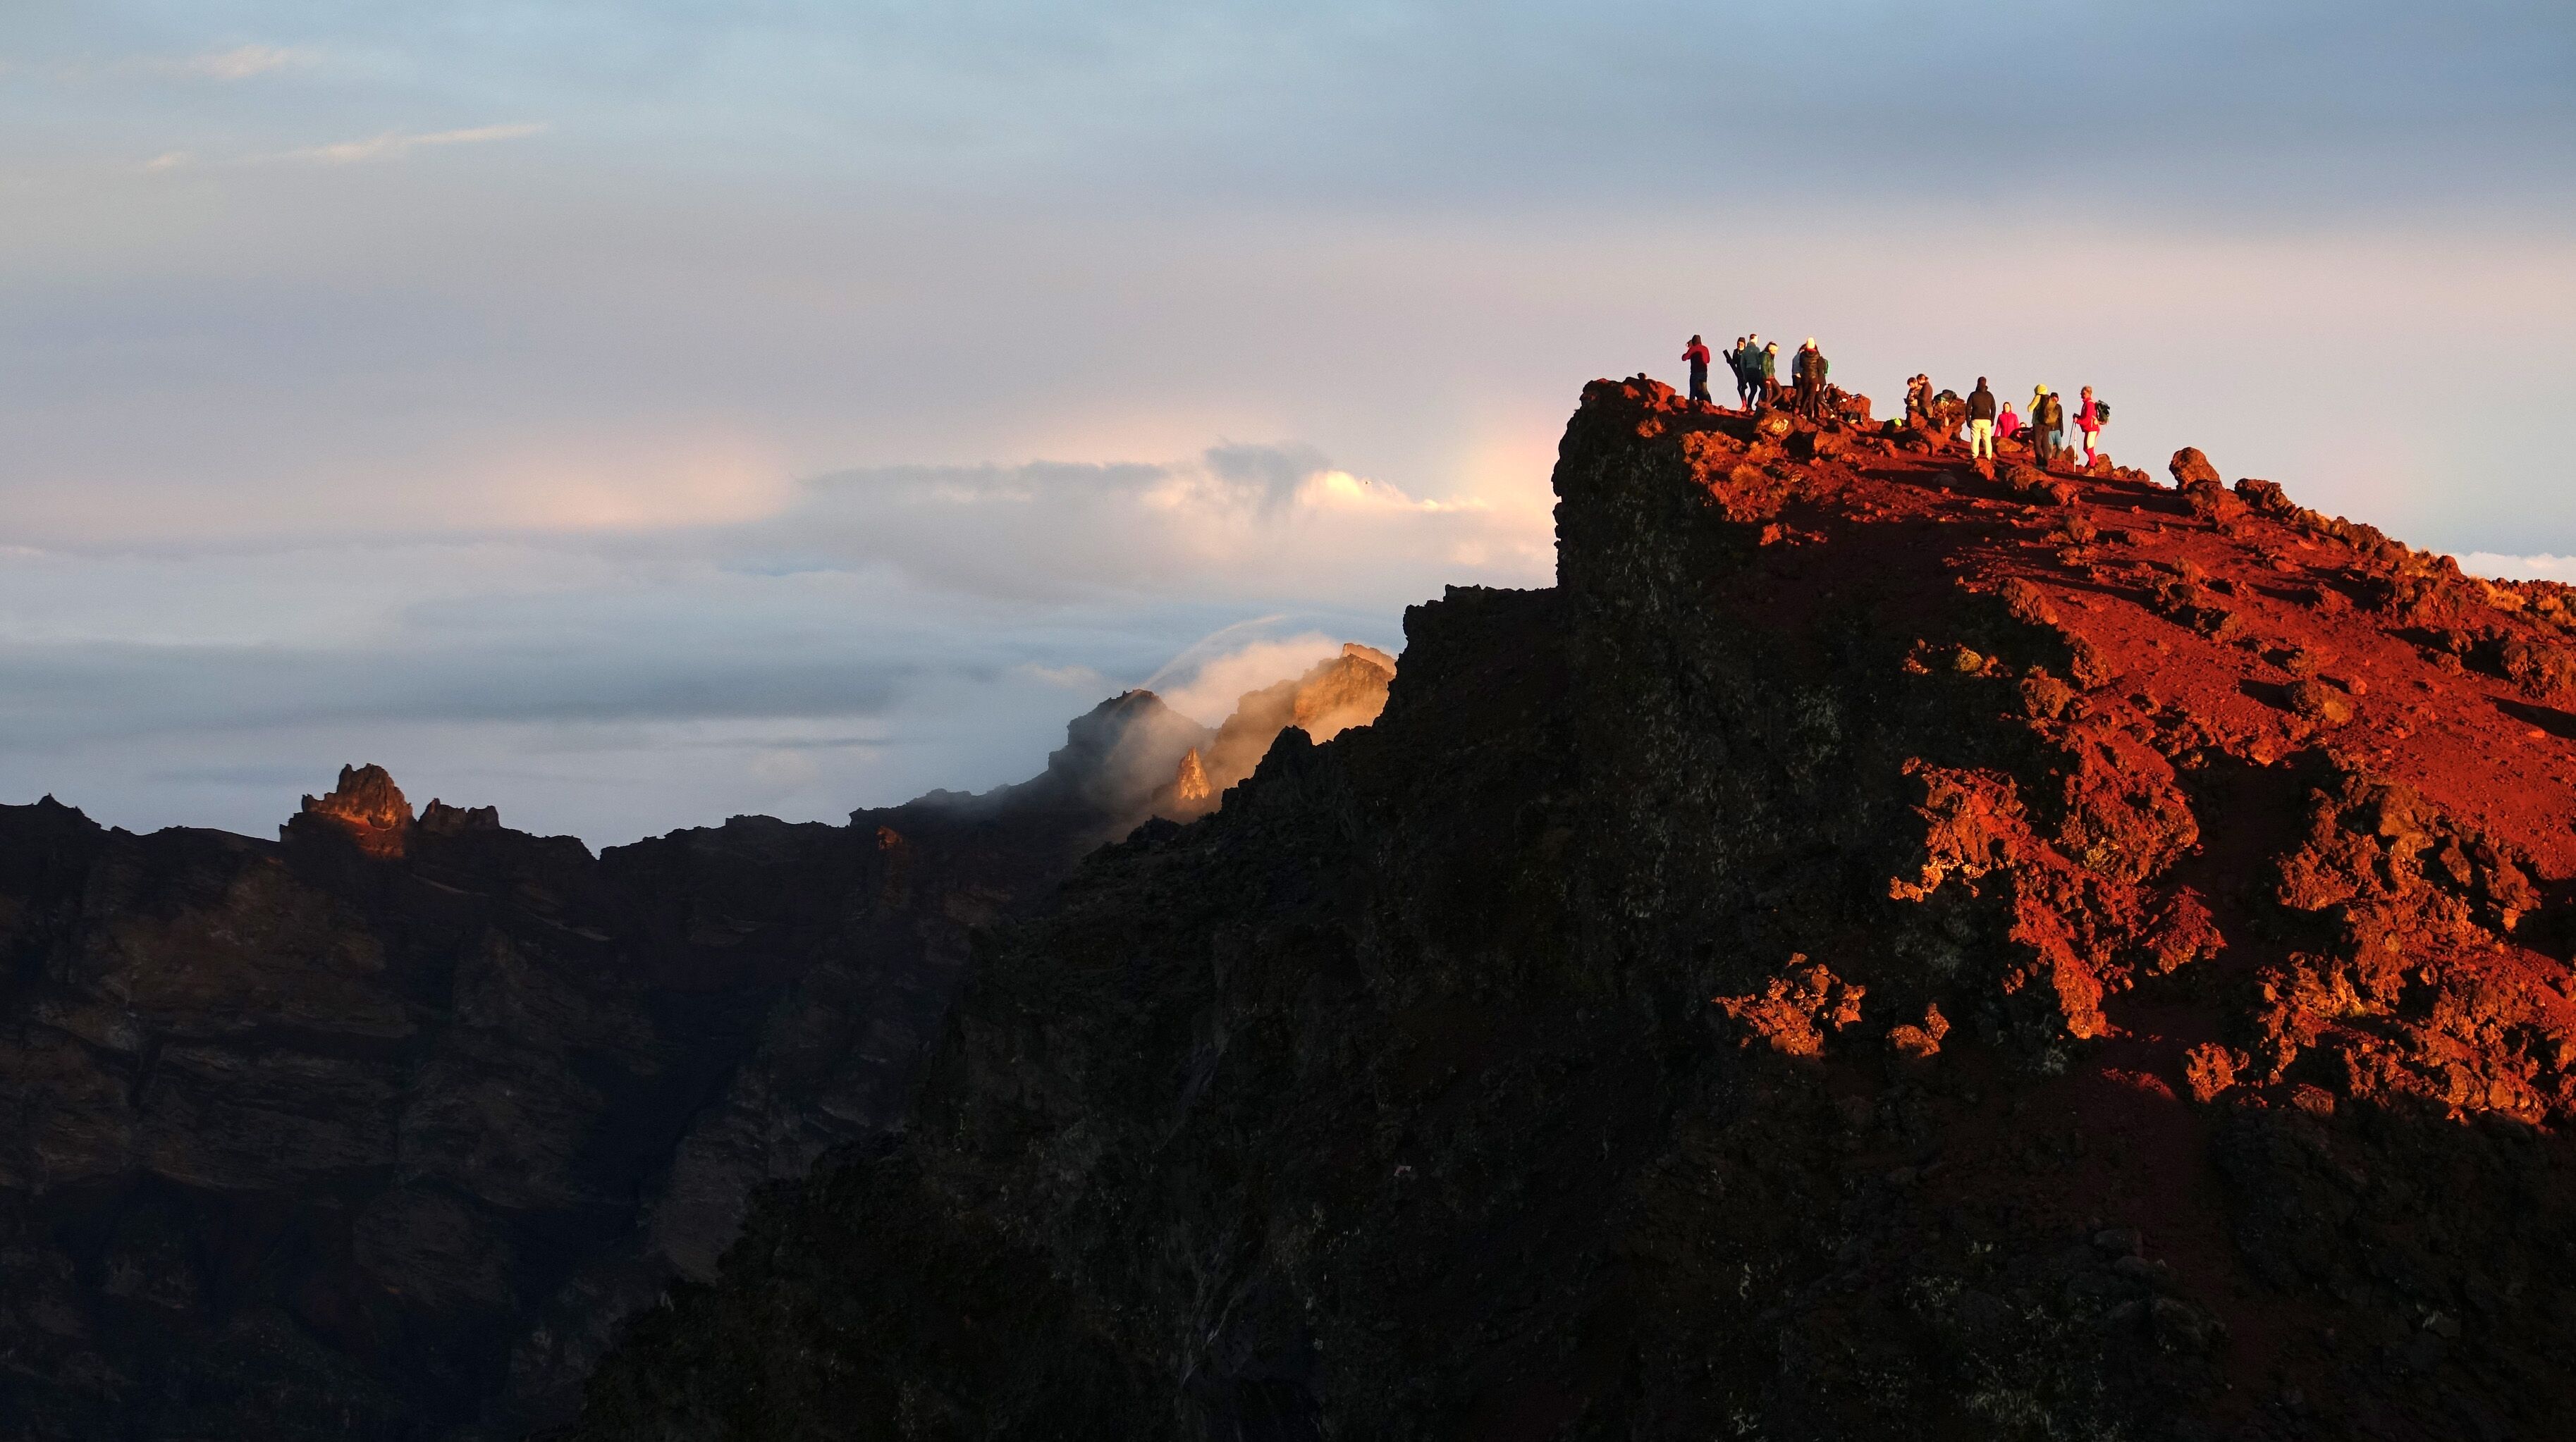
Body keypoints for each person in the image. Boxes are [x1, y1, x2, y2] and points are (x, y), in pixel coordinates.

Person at [1795, 338, 1829, 421]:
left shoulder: (1802, 355)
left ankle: (1802, 412)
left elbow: (1801, 365)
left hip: (1805, 377)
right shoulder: (1817, 355)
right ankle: (1810, 414)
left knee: (1805, 395)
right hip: (1814, 378)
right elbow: (1819, 368)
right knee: (1812, 396)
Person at [1966, 377, 1998, 460]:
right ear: (1986, 383)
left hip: (1975, 419)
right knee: (1987, 440)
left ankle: (1974, 456)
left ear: (1977, 383)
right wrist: (1992, 420)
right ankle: (1989, 457)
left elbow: (1968, 408)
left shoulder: (1973, 395)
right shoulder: (1989, 395)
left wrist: (1968, 421)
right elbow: (1994, 408)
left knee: (1975, 439)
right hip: (1987, 420)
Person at [2075, 386, 2106, 467]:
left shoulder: (2089, 404)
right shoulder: (2088, 403)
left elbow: (2088, 418)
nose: (2082, 394)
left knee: (2089, 448)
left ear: (2088, 393)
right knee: (2086, 448)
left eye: (2083, 393)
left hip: (2092, 428)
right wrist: (2079, 418)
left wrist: (2078, 421)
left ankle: (2092, 468)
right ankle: (2095, 463)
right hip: (2090, 428)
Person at [1683, 335, 1712, 404]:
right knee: (1704, 390)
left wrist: (1690, 348)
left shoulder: (1693, 349)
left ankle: (1692, 404)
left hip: (1695, 372)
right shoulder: (1705, 348)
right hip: (1704, 372)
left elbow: (1684, 358)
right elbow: (1708, 360)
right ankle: (1710, 404)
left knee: (1693, 389)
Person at [1760, 341, 1781, 406]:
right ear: (1770, 349)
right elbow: (1764, 367)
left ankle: (1768, 404)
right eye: (1774, 350)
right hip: (1767, 377)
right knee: (1770, 394)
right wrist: (1766, 378)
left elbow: (1771, 367)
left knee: (1779, 392)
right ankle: (1766, 406)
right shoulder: (1765, 355)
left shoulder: (1771, 356)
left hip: (1772, 377)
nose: (1775, 352)